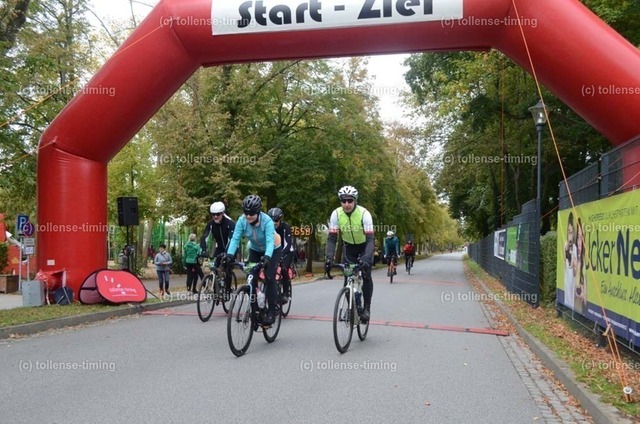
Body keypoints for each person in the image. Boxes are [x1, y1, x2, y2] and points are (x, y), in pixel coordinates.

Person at [226, 195, 282, 326]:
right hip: (255, 249)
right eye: (246, 213)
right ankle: (256, 307)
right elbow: (235, 239)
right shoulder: (242, 220)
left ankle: (271, 311)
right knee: (251, 277)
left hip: (273, 249)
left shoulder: (267, 221)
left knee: (269, 276)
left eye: (251, 214)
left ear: (258, 212)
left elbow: (270, 241)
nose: (248, 216)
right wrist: (229, 255)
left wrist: (267, 257)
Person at [325, 185, 375, 322]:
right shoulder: (336, 214)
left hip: (364, 246)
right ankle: (352, 308)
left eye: (350, 200)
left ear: (355, 201)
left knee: (366, 275)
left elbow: (370, 240)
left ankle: (367, 308)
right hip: (349, 248)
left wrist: (367, 258)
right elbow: (332, 239)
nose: (346, 204)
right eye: (343, 201)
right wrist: (329, 258)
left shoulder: (364, 214)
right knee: (348, 280)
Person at [200, 201, 236, 293]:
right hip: (219, 248)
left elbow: (231, 240)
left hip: (231, 248)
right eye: (213, 214)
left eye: (218, 214)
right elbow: (204, 237)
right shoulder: (211, 224)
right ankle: (217, 287)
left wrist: (228, 253)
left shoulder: (230, 223)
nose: (215, 216)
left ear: (223, 213)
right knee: (214, 266)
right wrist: (203, 250)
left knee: (227, 267)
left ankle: (228, 290)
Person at [268, 207, 293, 303]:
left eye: (276, 220)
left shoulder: (285, 227)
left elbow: (288, 244)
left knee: (283, 268)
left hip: (286, 251)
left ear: (280, 219)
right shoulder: (267, 228)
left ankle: (286, 292)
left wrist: (281, 254)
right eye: (272, 220)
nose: (274, 223)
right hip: (273, 251)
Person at [563, 212, 577, 309]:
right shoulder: (566, 244)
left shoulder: (575, 248)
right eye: (568, 232)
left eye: (571, 233)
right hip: (567, 278)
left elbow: (575, 269)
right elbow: (564, 262)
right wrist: (566, 250)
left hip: (572, 280)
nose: (570, 236)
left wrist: (573, 258)